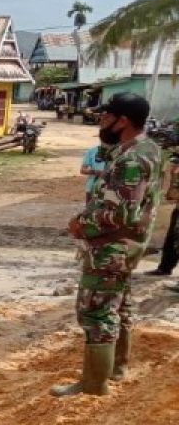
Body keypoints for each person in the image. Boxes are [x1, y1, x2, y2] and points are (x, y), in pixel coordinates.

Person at [52, 93, 161, 397]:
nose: (100, 120)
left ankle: (94, 384)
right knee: (119, 305)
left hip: (111, 247)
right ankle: (116, 369)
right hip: (128, 245)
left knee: (96, 310)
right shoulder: (148, 148)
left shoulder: (131, 159)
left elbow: (119, 212)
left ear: (122, 120)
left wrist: (80, 224)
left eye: (105, 116)